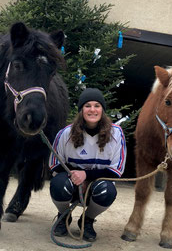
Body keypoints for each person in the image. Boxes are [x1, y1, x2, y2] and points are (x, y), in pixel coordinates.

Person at [49, 88, 127, 242]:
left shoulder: (116, 134)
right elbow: (54, 164)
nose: (92, 110)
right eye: (87, 106)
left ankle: (87, 220)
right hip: (72, 185)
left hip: (97, 186)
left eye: (97, 105)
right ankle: (64, 216)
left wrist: (87, 177)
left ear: (102, 110)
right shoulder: (65, 133)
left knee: (108, 191)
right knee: (58, 184)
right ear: (81, 110)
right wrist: (76, 175)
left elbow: (116, 170)